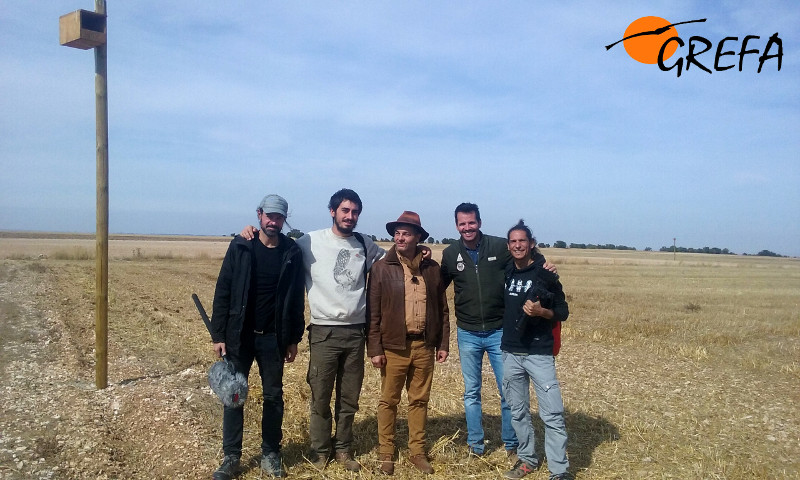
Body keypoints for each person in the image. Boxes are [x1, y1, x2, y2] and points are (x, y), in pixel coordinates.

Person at [240, 188, 385, 472]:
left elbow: (392, 263)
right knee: (320, 395)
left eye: (355, 212)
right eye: (345, 210)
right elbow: (275, 241)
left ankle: (343, 448)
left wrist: (421, 251)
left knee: (349, 397)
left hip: (356, 333)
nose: (350, 216)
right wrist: (249, 231)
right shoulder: (309, 242)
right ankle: (319, 451)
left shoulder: (365, 244)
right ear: (332, 211)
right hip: (323, 333)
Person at [440, 202, 556, 460]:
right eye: (462, 224)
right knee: (472, 392)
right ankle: (476, 446)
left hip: (498, 332)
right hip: (468, 333)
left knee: (508, 392)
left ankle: (511, 444)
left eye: (471, 222)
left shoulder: (498, 247)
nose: (467, 228)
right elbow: (438, 285)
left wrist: (545, 266)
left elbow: (529, 259)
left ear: (479, 222)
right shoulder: (450, 254)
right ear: (456, 225)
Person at [210, 194, 305, 480]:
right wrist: (219, 334)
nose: (273, 221)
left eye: (279, 217)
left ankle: (270, 453)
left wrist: (293, 338)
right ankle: (231, 457)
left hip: (273, 339)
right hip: (240, 336)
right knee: (234, 396)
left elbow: (295, 299)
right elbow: (223, 289)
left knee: (273, 396)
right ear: (259, 215)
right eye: (269, 216)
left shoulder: (292, 252)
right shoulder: (241, 246)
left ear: (284, 219)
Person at [366, 211, 450, 475]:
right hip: (393, 348)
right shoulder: (381, 268)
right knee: (388, 401)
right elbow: (373, 312)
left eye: (407, 233)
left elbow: (442, 309)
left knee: (419, 401)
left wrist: (443, 343)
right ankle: (386, 453)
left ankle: (417, 452)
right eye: (397, 233)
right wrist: (375, 348)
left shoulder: (432, 269)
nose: (400, 237)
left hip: (424, 346)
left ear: (418, 238)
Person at [501, 220, 571, 480]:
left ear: (531, 244)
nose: (518, 245)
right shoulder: (507, 270)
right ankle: (528, 460)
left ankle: (559, 470)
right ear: (509, 246)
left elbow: (563, 312)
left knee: (552, 414)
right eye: (513, 241)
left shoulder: (546, 275)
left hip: (539, 354)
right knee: (518, 413)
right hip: (510, 352)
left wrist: (542, 312)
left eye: (522, 241)